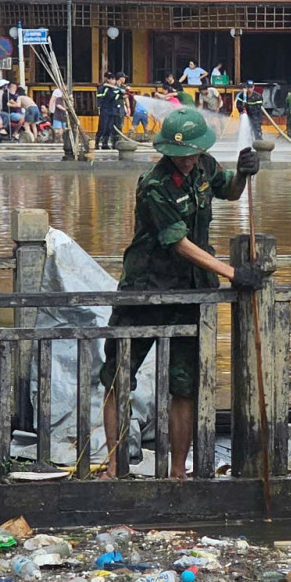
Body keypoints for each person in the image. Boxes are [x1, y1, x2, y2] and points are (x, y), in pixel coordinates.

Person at [100, 108, 262, 480]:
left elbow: (231, 192)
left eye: (193, 152)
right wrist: (233, 274)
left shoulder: (204, 166)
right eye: (182, 154)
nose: (189, 160)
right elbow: (180, 244)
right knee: (117, 377)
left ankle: (177, 472)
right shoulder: (154, 185)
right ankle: (113, 467)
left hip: (190, 294)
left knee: (184, 384)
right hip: (145, 293)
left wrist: (244, 172)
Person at [96, 72, 125, 150]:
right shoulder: (103, 88)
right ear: (108, 80)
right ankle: (96, 143)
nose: (113, 81)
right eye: (112, 79)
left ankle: (105, 143)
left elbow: (115, 98)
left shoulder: (113, 88)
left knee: (109, 128)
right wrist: (117, 92)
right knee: (102, 127)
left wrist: (120, 94)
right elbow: (106, 97)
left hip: (112, 110)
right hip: (105, 110)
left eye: (114, 79)